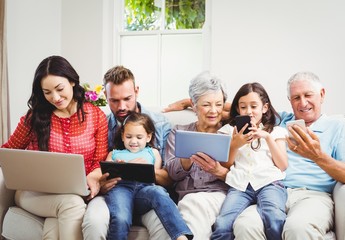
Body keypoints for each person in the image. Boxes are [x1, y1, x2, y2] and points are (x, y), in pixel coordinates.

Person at [164, 71, 345, 239]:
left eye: (308, 95)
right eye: (296, 98)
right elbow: (245, 106)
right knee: (244, 226)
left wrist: (318, 156)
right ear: (289, 101)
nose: (303, 103)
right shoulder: (283, 120)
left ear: (322, 94)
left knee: (296, 227)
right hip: (268, 188)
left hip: (308, 194)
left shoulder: (339, 125)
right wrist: (190, 103)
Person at [1, 55, 108, 239]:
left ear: (72, 81)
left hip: (73, 193)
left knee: (56, 226)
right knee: (73, 204)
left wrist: (94, 176)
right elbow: (7, 152)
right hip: (32, 193)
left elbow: (100, 160)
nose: (55, 97)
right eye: (47, 92)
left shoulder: (95, 115)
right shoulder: (34, 117)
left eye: (60, 89)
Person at [82, 65, 174, 240]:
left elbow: (170, 179)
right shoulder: (102, 125)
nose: (122, 106)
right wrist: (100, 185)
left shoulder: (161, 124)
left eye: (127, 98)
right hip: (113, 193)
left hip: (148, 194)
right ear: (106, 98)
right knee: (94, 221)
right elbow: (95, 167)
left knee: (164, 226)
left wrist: (145, 170)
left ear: (137, 91)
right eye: (114, 101)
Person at [211, 82, 288, 240]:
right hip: (240, 186)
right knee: (222, 223)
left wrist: (266, 136)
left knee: (275, 218)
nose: (249, 111)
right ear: (238, 109)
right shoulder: (227, 131)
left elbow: (283, 165)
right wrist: (235, 144)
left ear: (264, 108)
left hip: (270, 183)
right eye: (243, 107)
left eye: (254, 106)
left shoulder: (276, 131)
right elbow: (226, 165)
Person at [104, 112, 192, 240]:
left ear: (148, 137)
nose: (133, 141)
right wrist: (118, 167)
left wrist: (146, 167)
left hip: (144, 190)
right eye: (129, 136)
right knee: (121, 218)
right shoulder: (114, 154)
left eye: (139, 137)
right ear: (122, 136)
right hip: (121, 189)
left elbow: (158, 178)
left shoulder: (153, 153)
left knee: (158, 191)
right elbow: (106, 175)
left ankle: (181, 236)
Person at [164, 71, 230, 239]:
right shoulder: (179, 131)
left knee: (193, 204)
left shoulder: (230, 133)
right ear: (193, 105)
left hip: (219, 197)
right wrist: (186, 157)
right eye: (206, 104)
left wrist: (218, 171)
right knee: (190, 204)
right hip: (186, 197)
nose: (214, 111)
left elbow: (242, 176)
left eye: (219, 104)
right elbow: (171, 174)